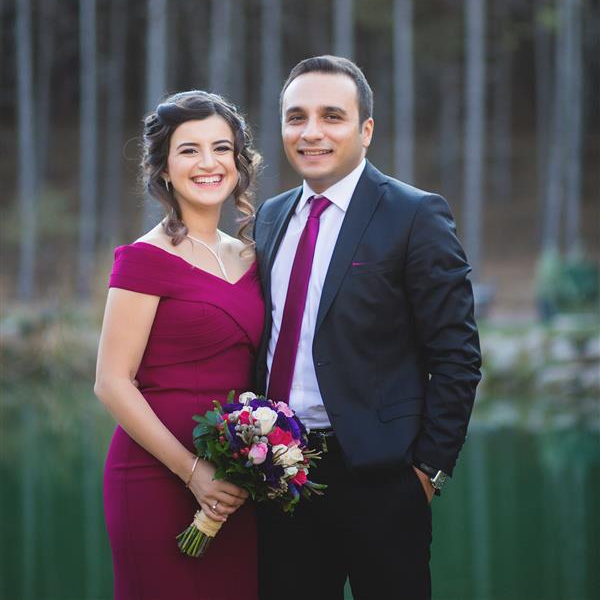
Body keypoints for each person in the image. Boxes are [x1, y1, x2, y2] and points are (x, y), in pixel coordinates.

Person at [254, 56, 482, 600]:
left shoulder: (414, 214)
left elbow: (457, 354)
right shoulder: (269, 217)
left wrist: (428, 472)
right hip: (278, 475)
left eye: (332, 116)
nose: (311, 132)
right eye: (296, 117)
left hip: (383, 481)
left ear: (366, 130)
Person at [95, 90, 264, 600]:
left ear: (239, 162)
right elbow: (111, 382)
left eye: (221, 148)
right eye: (189, 150)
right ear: (165, 169)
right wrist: (193, 473)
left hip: (237, 482)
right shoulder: (144, 259)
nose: (208, 163)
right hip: (155, 476)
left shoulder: (255, 256)